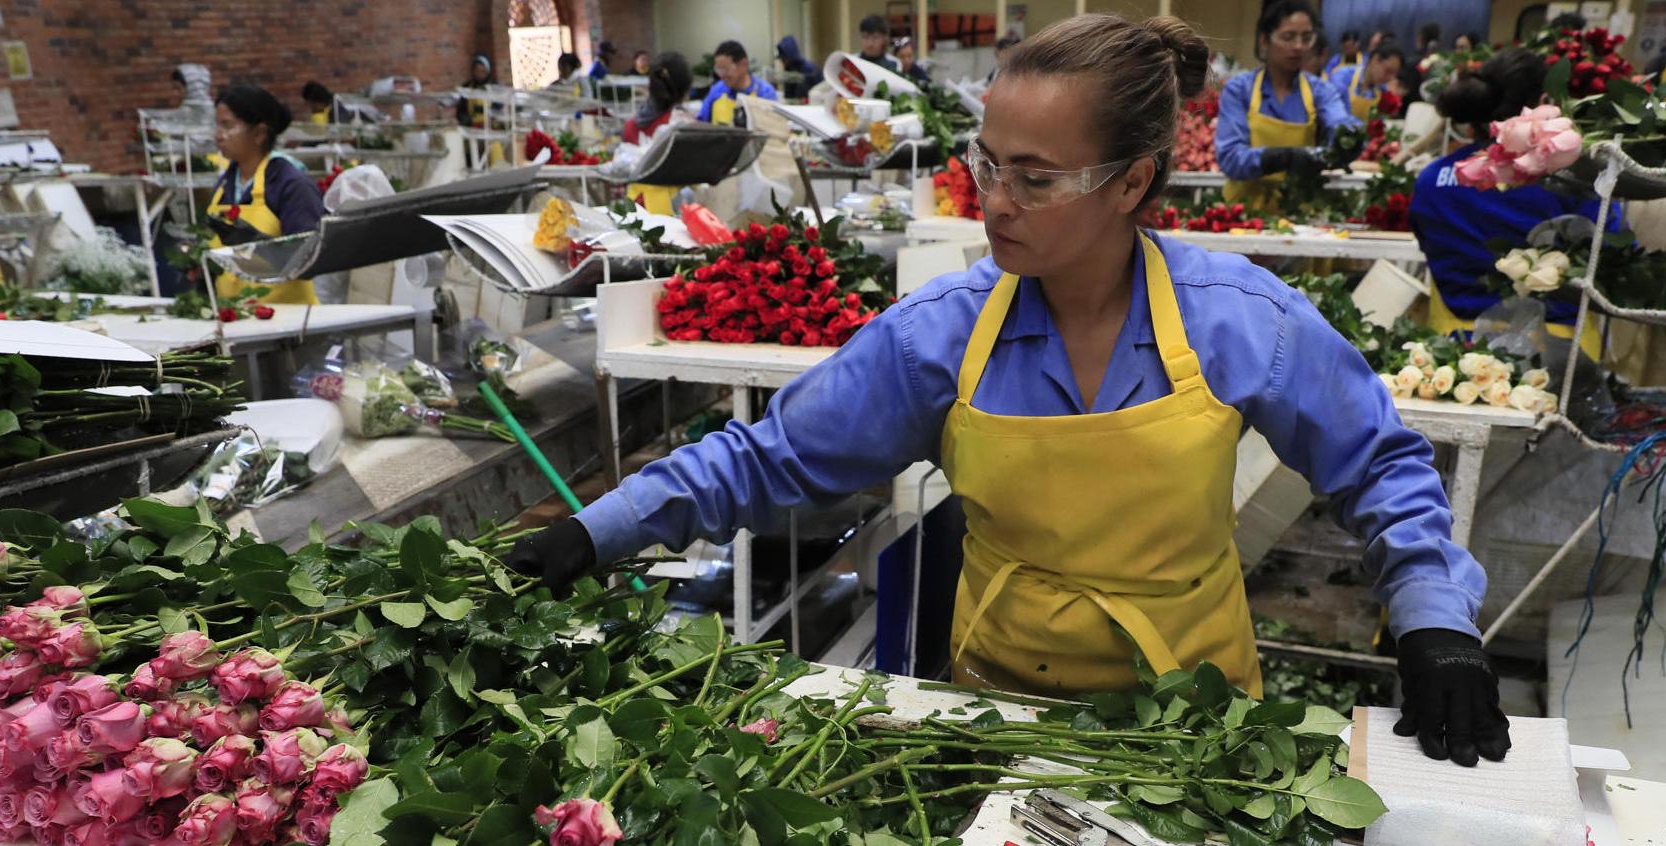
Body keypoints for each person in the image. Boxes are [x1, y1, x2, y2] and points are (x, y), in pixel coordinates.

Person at [510, 12, 1510, 770]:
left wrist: (1433, 619)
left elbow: (1378, 461)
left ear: (1132, 182)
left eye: (1034, 180)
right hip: (993, 720)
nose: (992, 203)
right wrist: (598, 530)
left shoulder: (1238, 321)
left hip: (1197, 728)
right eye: (986, 165)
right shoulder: (940, 337)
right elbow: (773, 457)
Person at [1411, 47, 1618, 355]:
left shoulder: (1432, 180)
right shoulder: (1572, 179)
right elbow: (1613, 251)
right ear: (1543, 105)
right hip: (1557, 355)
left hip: (1454, 356)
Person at [1214, 1, 1360, 211]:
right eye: (1288, 37)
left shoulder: (1320, 92)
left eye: (1306, 38)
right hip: (1243, 215)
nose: (1299, 46)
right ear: (1265, 41)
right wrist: (1281, 158)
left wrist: (1349, 135)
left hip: (1299, 215)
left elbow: (1338, 120)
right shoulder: (1240, 90)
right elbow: (1230, 158)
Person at [207, 84, 325, 305]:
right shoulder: (225, 186)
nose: (218, 136)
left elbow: (310, 260)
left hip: (288, 324)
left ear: (259, 133)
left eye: (227, 125)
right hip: (236, 318)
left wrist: (255, 244)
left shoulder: (291, 184)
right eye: (217, 125)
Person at [622, 52, 695, 214]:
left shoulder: (631, 125)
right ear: (686, 89)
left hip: (635, 214)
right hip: (674, 218)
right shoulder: (683, 127)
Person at [698, 40, 778, 126]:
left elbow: (774, 129)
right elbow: (701, 122)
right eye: (718, 69)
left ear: (744, 64)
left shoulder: (764, 92)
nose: (722, 75)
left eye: (726, 69)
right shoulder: (716, 90)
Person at [1330, 44, 1404, 122]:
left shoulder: (1382, 91)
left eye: (1394, 74)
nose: (1390, 78)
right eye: (1388, 71)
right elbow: (1338, 116)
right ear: (1375, 59)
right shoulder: (1342, 77)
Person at [776, 35, 822, 99]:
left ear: (790, 56)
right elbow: (788, 95)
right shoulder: (788, 70)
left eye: (784, 59)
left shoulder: (810, 70)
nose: (783, 62)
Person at [457, 55, 497, 127]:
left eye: (483, 71)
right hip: (472, 127)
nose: (480, 74)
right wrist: (466, 120)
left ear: (487, 71)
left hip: (490, 126)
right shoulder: (466, 87)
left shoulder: (494, 87)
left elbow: (499, 108)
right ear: (473, 71)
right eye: (477, 71)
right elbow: (460, 110)